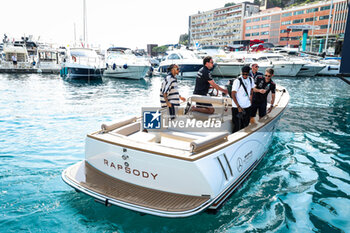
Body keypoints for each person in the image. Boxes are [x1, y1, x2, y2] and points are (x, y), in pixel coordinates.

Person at [231, 65, 255, 133]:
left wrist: (251, 99)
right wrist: (238, 106)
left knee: (246, 125)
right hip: (238, 108)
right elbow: (233, 94)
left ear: (248, 73)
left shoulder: (250, 79)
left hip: (247, 106)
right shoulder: (237, 81)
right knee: (237, 126)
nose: (244, 75)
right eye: (243, 74)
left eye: (246, 74)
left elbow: (252, 89)